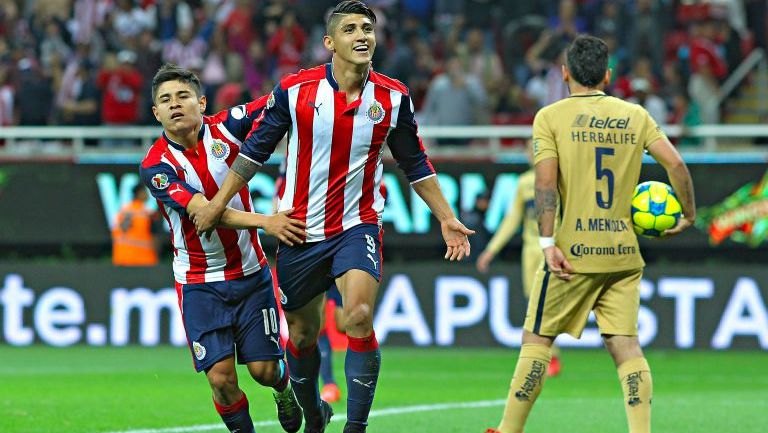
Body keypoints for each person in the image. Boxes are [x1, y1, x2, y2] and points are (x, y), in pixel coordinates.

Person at [191, 2, 474, 432]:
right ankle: (314, 416)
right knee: (303, 337)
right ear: (330, 43)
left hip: (356, 224)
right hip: (298, 229)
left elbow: (415, 163)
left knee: (357, 315)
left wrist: (446, 217)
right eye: (350, 29)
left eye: (367, 28)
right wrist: (217, 203)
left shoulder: (393, 97)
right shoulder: (296, 90)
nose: (361, 36)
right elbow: (254, 152)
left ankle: (355, 427)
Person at [486, 35, 696, 433]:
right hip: (623, 254)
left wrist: (547, 243)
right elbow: (678, 166)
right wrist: (688, 215)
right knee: (626, 345)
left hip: (572, 253)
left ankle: (508, 430)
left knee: (537, 339)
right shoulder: (636, 116)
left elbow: (544, 185)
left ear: (565, 73)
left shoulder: (549, 117)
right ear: (608, 75)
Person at [139, 63, 307, 433]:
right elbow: (205, 214)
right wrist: (267, 221)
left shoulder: (228, 128)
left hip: (250, 275)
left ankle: (283, 391)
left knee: (265, 371)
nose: (175, 105)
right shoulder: (156, 167)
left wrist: (316, 77)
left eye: (183, 96)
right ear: (156, 113)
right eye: (165, 100)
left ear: (201, 101)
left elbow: (280, 101)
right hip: (199, 285)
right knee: (221, 380)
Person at [475, 140, 562, 377]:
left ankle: (550, 356)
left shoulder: (561, 180)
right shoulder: (524, 183)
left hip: (555, 248)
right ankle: (544, 356)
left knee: (548, 304)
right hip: (531, 251)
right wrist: (491, 250)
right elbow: (512, 219)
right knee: (534, 306)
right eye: (530, 151)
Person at [112, 184, 161, 266]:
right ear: (139, 193)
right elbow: (154, 238)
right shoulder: (147, 214)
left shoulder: (123, 211)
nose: (147, 195)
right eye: (145, 192)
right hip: (143, 259)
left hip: (122, 258)